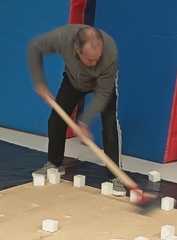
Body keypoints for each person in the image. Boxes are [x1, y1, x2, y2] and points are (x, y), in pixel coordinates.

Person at [27, 24, 125, 196]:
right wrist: (39, 81)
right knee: (56, 119)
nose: (94, 63)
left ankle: (115, 176)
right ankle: (55, 164)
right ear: (77, 49)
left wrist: (84, 123)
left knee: (110, 123)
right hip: (73, 80)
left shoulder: (110, 52)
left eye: (97, 58)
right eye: (90, 59)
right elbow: (34, 47)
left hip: (101, 83)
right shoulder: (62, 37)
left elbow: (102, 95)